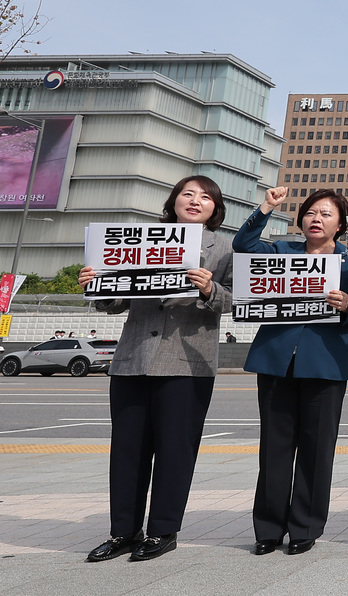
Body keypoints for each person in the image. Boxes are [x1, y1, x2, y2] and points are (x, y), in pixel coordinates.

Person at [80, 175, 234, 562]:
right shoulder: (139, 242)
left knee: (175, 450)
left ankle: (163, 531)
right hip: (133, 358)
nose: (195, 201)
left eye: (205, 197)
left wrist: (209, 290)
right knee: (128, 450)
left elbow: (237, 300)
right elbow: (117, 303)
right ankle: (124, 532)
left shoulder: (225, 248)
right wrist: (96, 286)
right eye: (187, 194)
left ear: (215, 208)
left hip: (187, 361)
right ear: (173, 201)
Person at [236, 187, 348, 556]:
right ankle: (268, 528)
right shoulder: (281, 251)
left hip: (325, 363)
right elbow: (244, 244)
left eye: (326, 214)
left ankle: (305, 526)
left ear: (340, 225)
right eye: (311, 212)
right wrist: (266, 207)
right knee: (275, 448)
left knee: (317, 449)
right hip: (276, 361)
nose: (317, 218)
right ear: (301, 220)